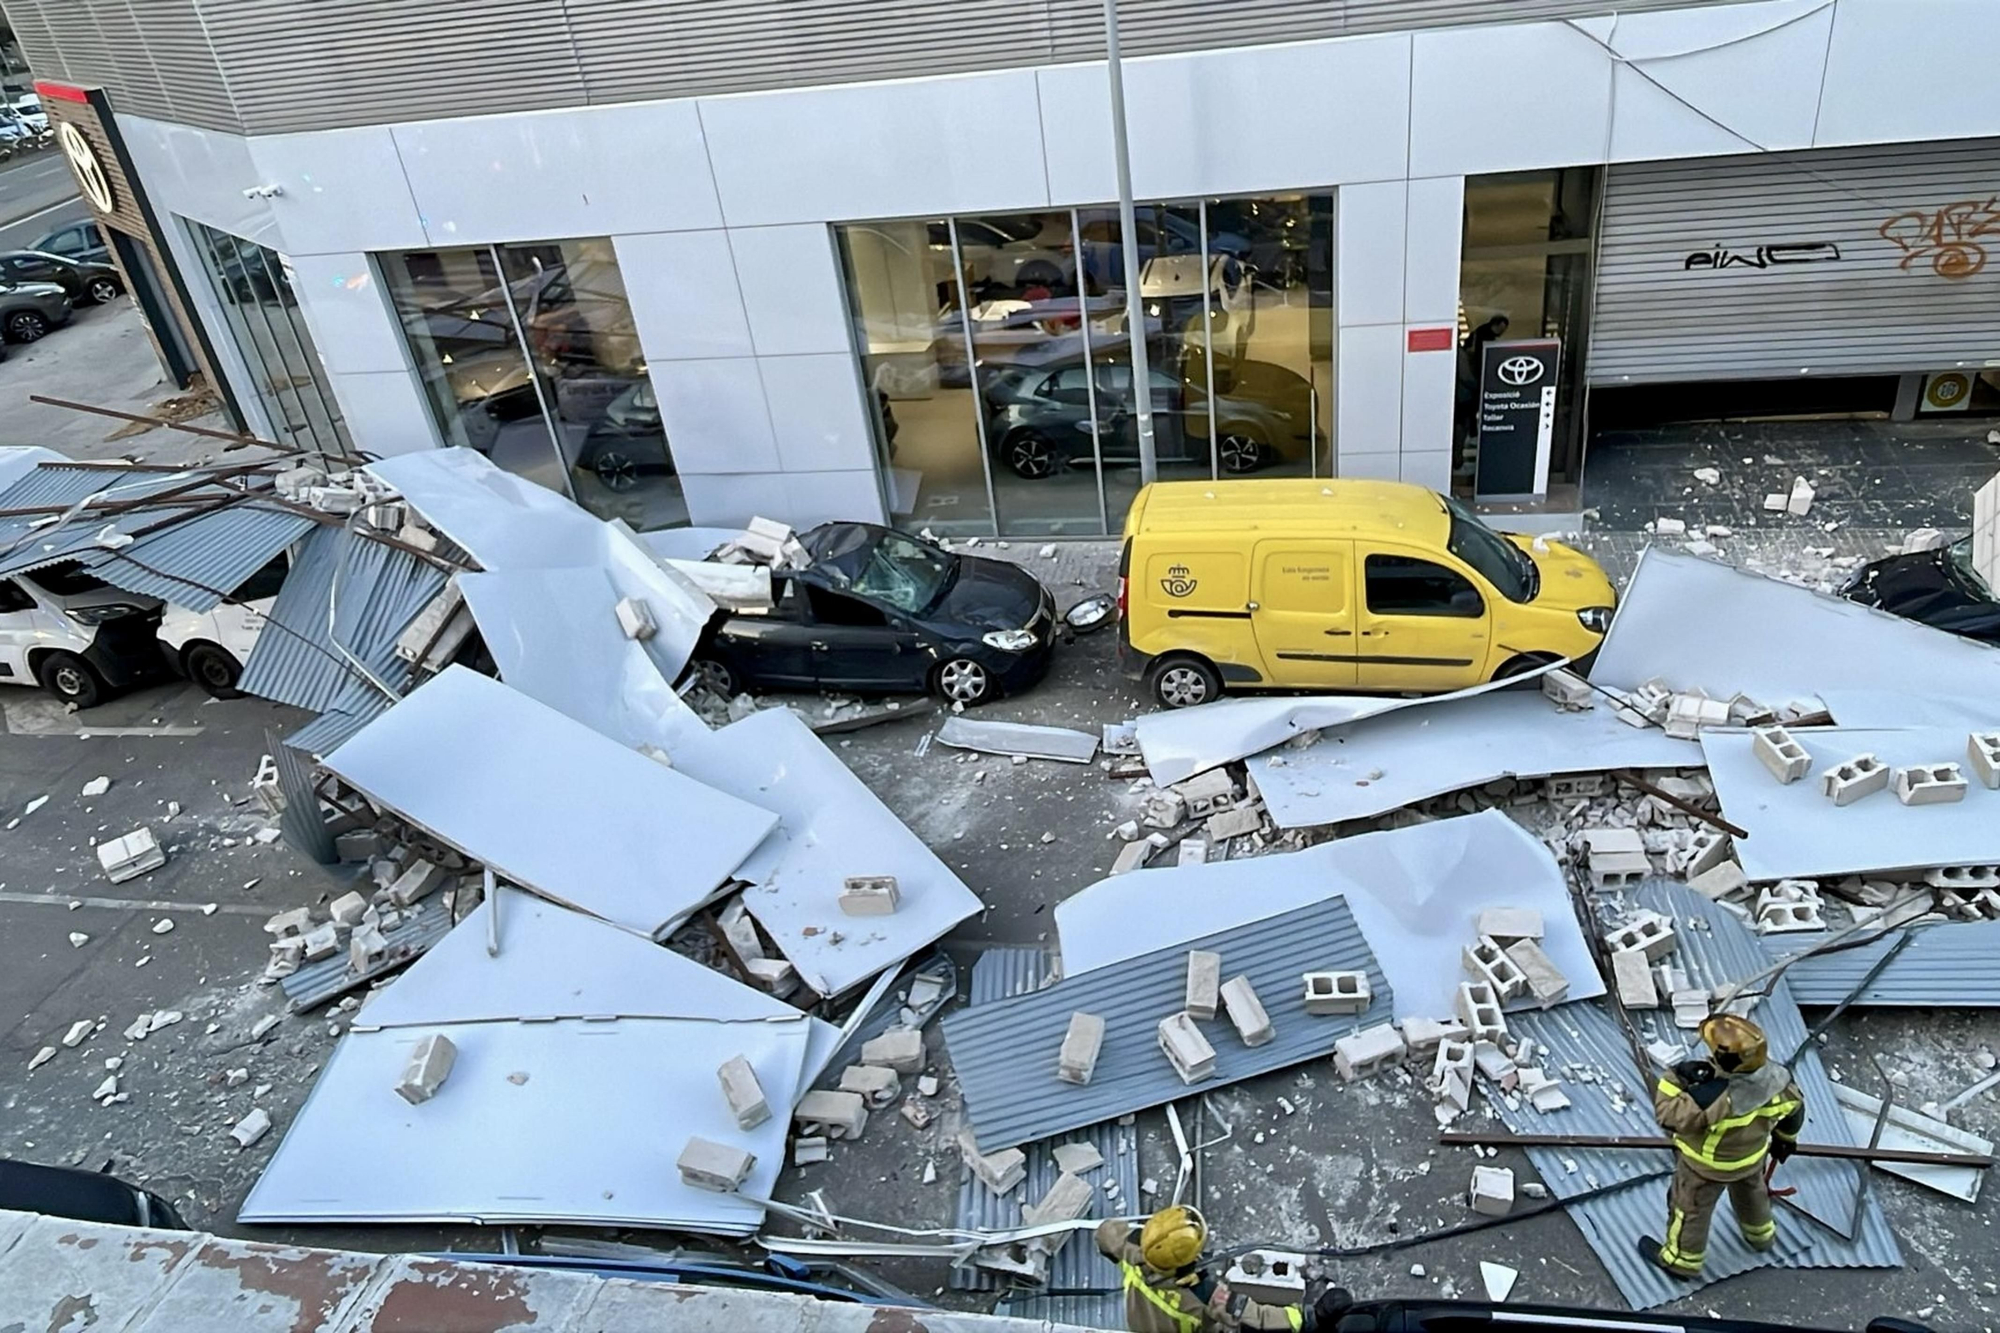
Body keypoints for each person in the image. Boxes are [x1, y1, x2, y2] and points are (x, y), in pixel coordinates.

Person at [1640, 1013, 1805, 1279]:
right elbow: (1795, 1108)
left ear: (1725, 1061)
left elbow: (1668, 1116)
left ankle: (1681, 1262)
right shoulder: (1779, 1080)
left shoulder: (1712, 1098)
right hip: (1751, 1160)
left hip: (1705, 1168)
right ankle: (1761, 1239)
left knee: (1690, 1211)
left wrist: (1677, 1076)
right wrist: (1786, 1139)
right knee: (1753, 1196)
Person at [1095, 1207, 1353, 1332]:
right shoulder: (1202, 1294)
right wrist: (1311, 1317)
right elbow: (1255, 1316)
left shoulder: (1131, 1249)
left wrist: (1117, 1252)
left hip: (1138, 1325)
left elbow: (1105, 1234)